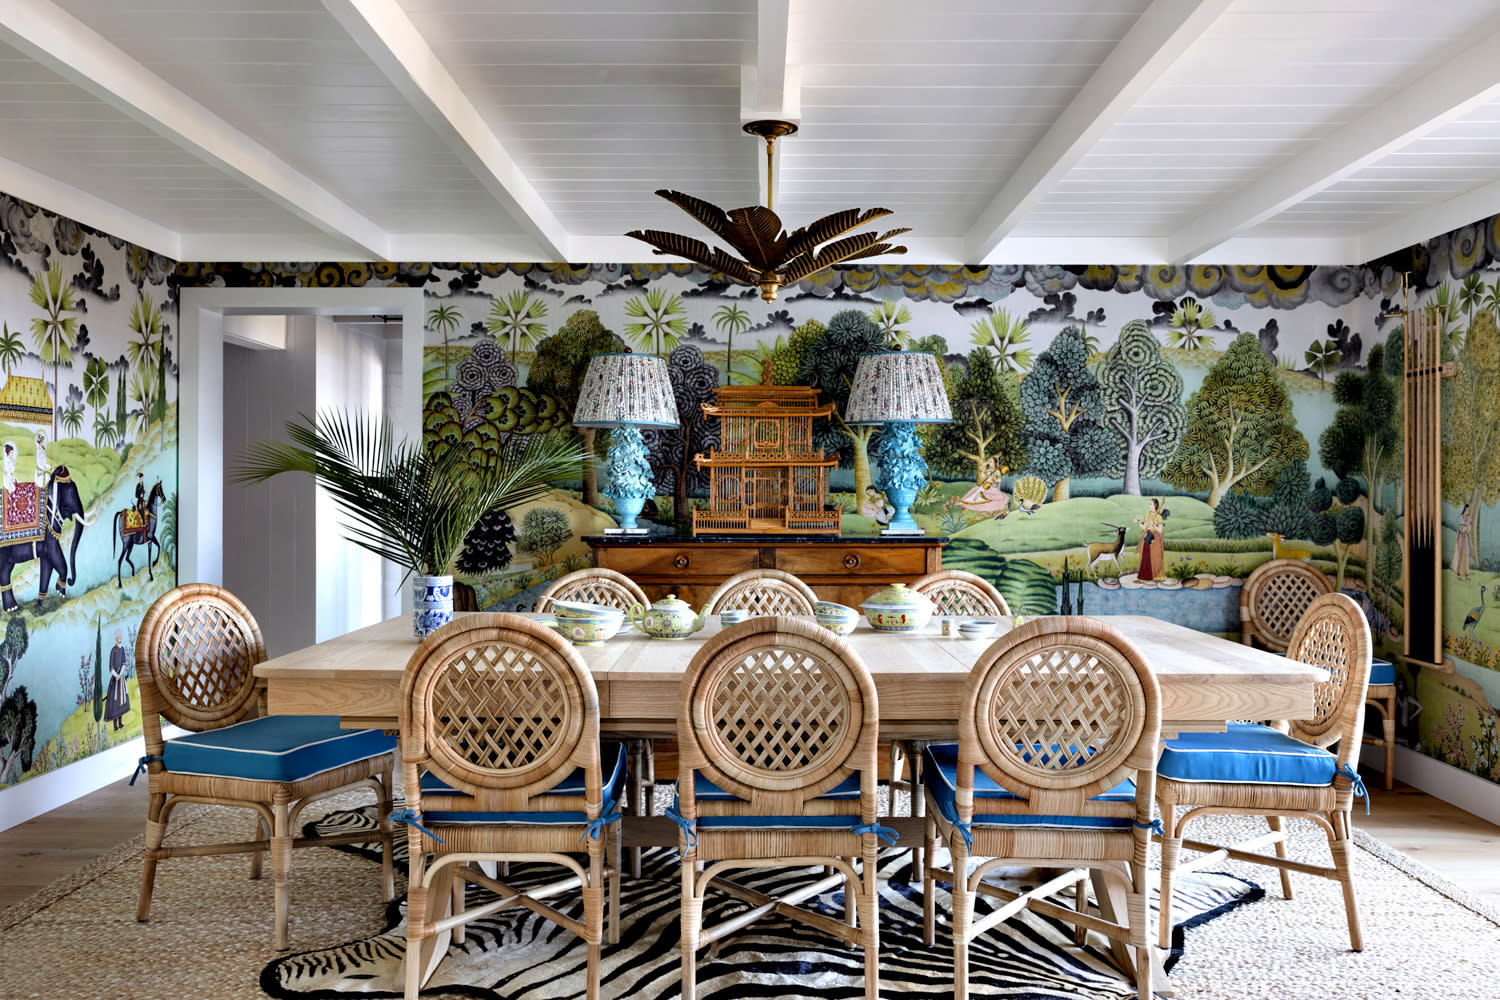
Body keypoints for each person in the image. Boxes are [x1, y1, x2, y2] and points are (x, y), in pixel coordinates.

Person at [104, 629, 131, 731]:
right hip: (115, 680)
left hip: (121, 678)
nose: (120, 639)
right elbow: (110, 667)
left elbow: (124, 663)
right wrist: (116, 675)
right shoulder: (113, 651)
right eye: (118, 638)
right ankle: (115, 726)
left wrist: (121, 674)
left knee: (122, 701)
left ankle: (120, 723)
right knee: (115, 702)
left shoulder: (122, 649)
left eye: (121, 637)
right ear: (116, 638)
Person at [1135, 498, 1167, 582]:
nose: (1149, 506)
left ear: (1155, 505)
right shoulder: (1147, 516)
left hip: (1155, 539)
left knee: (1155, 557)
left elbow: (1160, 531)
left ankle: (1156, 576)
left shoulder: (1158, 517)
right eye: (1149, 504)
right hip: (1146, 538)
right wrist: (1137, 522)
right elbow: (1145, 528)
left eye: (1151, 504)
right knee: (1145, 556)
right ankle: (1144, 577)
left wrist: (1154, 525)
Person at [1453, 502, 1473, 580]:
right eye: (1468, 510)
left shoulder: (1468, 518)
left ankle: (1466, 574)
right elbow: (1462, 529)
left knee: (1466, 555)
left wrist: (1467, 526)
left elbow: (1468, 530)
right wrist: (1467, 525)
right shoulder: (1461, 517)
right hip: (1461, 537)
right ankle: (1458, 573)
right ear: (1465, 509)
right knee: (1460, 554)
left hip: (1466, 538)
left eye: (1469, 510)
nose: (1468, 511)